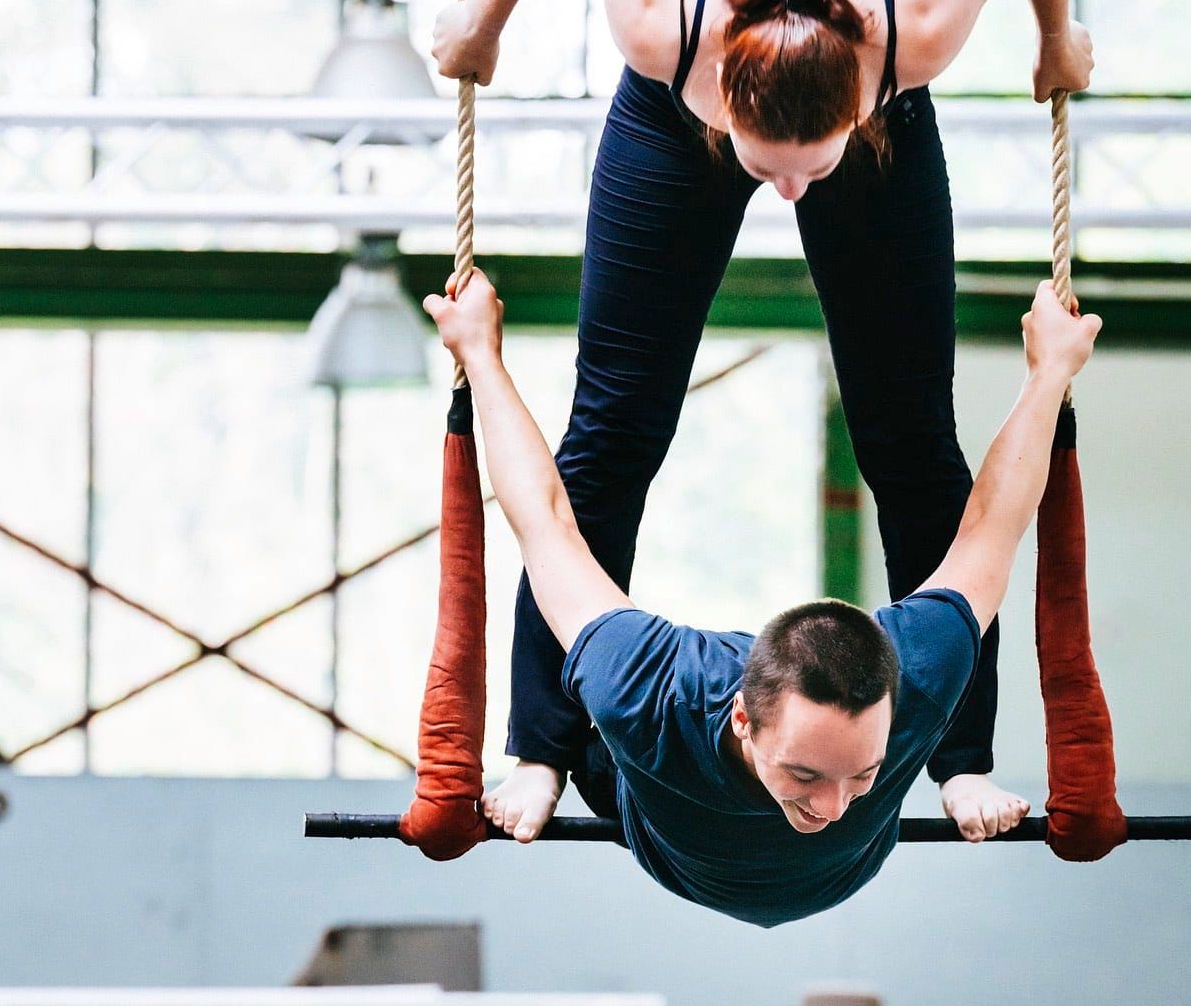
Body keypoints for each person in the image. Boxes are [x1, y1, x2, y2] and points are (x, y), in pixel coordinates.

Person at [431, 0, 1094, 848]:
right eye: (765, 163)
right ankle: (543, 749)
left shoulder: (918, 23)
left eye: (806, 166)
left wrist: (1056, 38)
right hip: (669, 122)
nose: (785, 190)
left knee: (909, 439)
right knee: (614, 427)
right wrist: (483, 19)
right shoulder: (660, 19)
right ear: (727, 106)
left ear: (856, 110)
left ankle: (960, 759)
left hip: (880, 125)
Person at [421, 262, 1101, 928]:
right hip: (659, 828)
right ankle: (543, 761)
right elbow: (544, 521)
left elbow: (995, 524)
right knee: (576, 566)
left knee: (931, 493)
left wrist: (1052, 373)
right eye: (806, 774)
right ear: (741, 718)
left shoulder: (920, 675)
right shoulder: (653, 692)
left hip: (842, 869)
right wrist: (479, 355)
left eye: (863, 775)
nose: (831, 808)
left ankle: (954, 771)